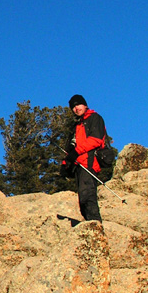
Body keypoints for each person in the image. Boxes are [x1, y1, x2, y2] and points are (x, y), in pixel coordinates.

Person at [61, 94, 106, 222]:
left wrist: (76, 152)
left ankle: (96, 227)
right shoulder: (76, 125)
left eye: (78, 104)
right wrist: (65, 164)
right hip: (79, 166)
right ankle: (91, 226)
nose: (76, 108)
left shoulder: (94, 118)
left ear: (85, 105)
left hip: (90, 163)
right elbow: (69, 149)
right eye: (73, 107)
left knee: (88, 197)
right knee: (82, 202)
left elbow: (96, 140)